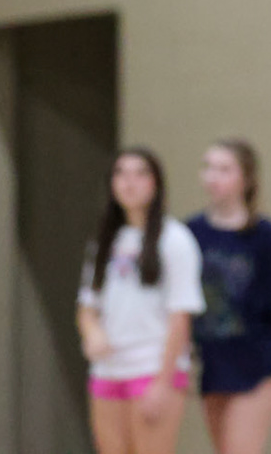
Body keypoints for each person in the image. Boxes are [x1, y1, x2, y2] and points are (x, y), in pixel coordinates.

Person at [187, 138, 271, 454]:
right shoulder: (190, 233)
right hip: (213, 361)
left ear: (246, 179)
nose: (213, 176)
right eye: (208, 167)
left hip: (259, 360)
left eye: (224, 169)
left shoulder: (264, 236)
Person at [79, 147, 204, 454]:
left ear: (156, 184)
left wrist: (163, 383)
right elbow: (87, 307)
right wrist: (92, 333)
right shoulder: (105, 241)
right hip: (108, 370)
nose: (129, 182)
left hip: (151, 368)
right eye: (120, 174)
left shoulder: (175, 239)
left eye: (140, 174)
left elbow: (181, 316)